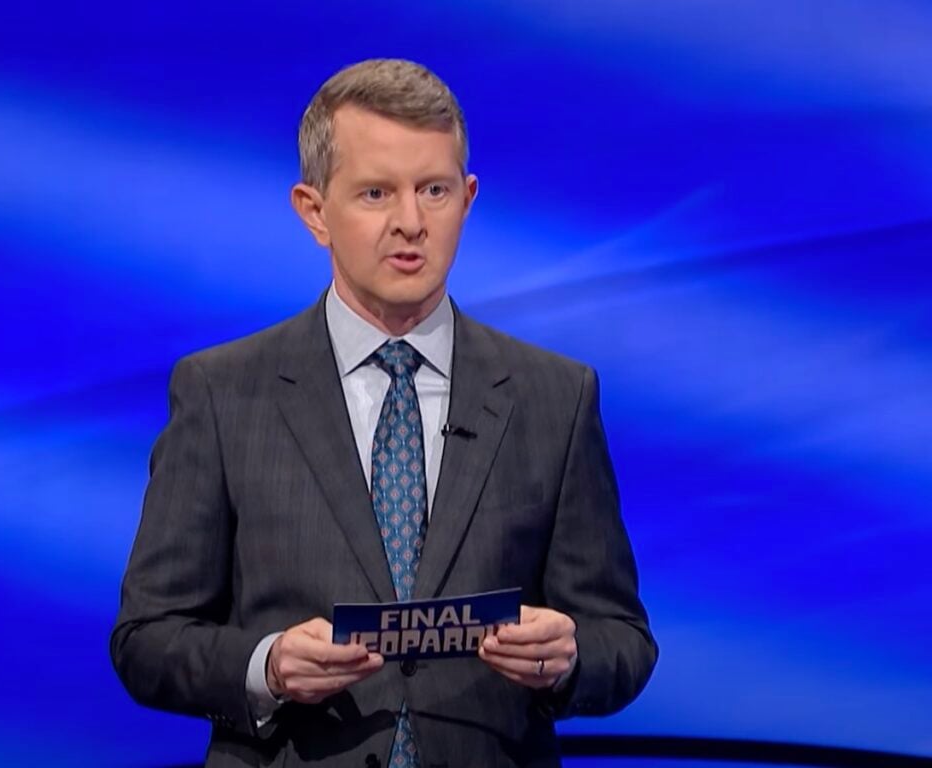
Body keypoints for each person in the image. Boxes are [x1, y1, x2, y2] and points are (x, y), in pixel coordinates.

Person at [111, 58, 657, 768]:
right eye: (375, 193)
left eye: (434, 190)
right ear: (314, 212)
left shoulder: (554, 395)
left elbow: (624, 639)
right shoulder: (222, 392)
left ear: (468, 197)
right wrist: (267, 664)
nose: (411, 223)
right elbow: (146, 639)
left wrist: (569, 655)